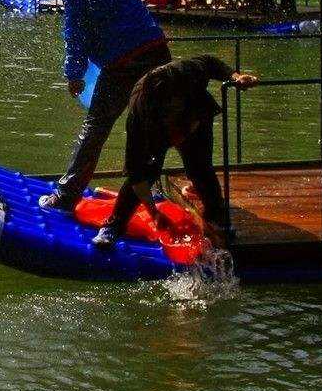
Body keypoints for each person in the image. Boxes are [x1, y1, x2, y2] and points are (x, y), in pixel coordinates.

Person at [43, 0, 171, 213]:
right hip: (156, 48)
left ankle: (66, 196)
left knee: (96, 127)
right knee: (152, 125)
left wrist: (74, 73)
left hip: (124, 60)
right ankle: (149, 187)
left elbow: (76, 28)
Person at [96, 54, 259, 248]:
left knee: (200, 167)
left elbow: (211, 62)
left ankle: (215, 214)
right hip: (158, 126)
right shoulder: (140, 118)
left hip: (196, 114)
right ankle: (114, 224)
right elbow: (135, 174)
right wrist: (153, 212)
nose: (177, 142)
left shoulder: (187, 72)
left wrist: (235, 76)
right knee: (147, 171)